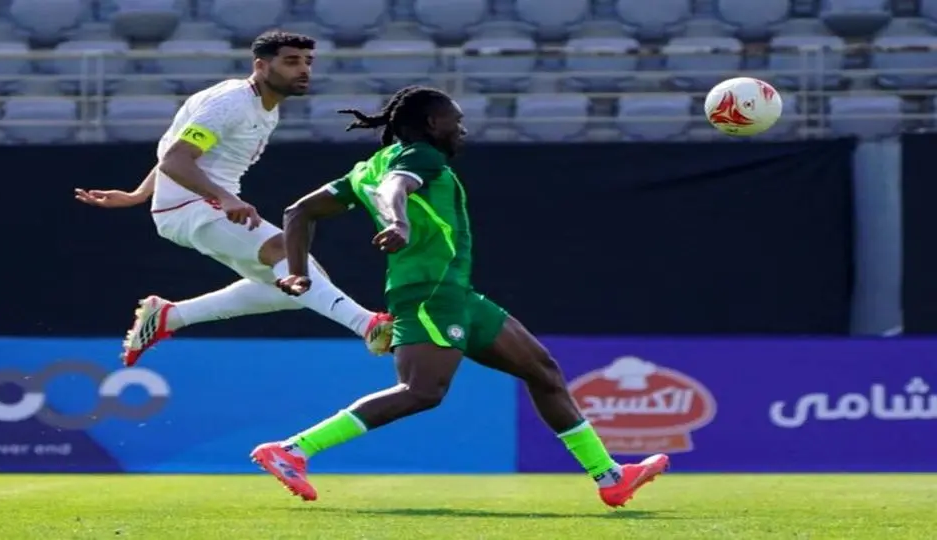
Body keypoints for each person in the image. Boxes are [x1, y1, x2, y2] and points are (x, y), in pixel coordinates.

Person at [250, 86, 669, 508]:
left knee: (542, 371)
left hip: (456, 293)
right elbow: (395, 186)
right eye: (457, 121)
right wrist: (398, 222)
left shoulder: (366, 169)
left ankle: (610, 476)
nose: (462, 130)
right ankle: (293, 450)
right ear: (433, 124)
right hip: (429, 292)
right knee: (421, 391)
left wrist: (300, 273)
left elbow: (298, 212)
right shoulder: (421, 156)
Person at [74, 30, 393, 366]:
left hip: (195, 205)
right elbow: (176, 159)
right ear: (261, 65)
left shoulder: (264, 107)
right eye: (291, 61)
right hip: (191, 207)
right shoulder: (232, 102)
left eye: (307, 62)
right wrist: (225, 198)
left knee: (301, 284)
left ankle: (171, 316)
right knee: (287, 255)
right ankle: (368, 326)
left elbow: (176, 150)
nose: (303, 70)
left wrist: (139, 194)